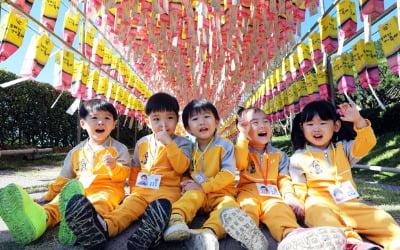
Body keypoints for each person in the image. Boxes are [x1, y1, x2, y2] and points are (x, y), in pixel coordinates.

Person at [64, 92, 192, 249]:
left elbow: (182, 167)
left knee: (167, 213)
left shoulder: (183, 143)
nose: (163, 124)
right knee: (124, 211)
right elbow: (135, 169)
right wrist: (133, 190)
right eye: (156, 119)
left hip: (168, 193)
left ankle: (148, 234)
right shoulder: (142, 142)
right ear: (148, 122)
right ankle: (102, 230)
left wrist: (169, 144)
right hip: (141, 192)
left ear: (177, 120)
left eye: (169, 118)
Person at [0, 99, 131, 245]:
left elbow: (124, 174)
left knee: (99, 203)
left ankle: (81, 224)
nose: (100, 122)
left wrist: (114, 167)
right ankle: (38, 220)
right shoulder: (76, 151)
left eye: (106, 118)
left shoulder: (119, 149)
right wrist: (48, 195)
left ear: (114, 124)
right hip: (79, 188)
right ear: (83, 124)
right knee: (58, 203)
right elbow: (64, 177)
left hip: (108, 189)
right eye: (94, 118)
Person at [220, 107, 346, 250]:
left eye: (266, 121)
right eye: (254, 123)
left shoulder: (280, 155)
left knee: (280, 211)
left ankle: (292, 235)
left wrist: (289, 196)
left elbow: (283, 178)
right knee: (247, 208)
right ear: (244, 129)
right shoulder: (242, 151)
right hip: (248, 191)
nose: (262, 125)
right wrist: (242, 137)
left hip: (272, 195)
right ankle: (251, 236)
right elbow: (240, 163)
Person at [289, 100, 400, 250]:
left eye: (322, 123)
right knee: (325, 222)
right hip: (319, 206)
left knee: (382, 218)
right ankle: (353, 244)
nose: (316, 129)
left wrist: (358, 120)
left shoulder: (344, 148)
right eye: (310, 124)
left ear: (336, 126)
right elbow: (299, 187)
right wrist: (302, 210)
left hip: (349, 203)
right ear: (302, 128)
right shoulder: (298, 157)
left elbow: (367, 142)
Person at [163, 98, 255, 249]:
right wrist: (187, 183)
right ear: (188, 128)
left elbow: (228, 173)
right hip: (197, 192)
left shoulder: (225, 145)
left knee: (229, 208)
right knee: (188, 198)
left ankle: (208, 233)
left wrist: (204, 186)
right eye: (195, 119)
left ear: (217, 122)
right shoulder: (190, 148)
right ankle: (176, 222)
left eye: (207, 117)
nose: (202, 122)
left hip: (221, 193)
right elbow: (186, 170)